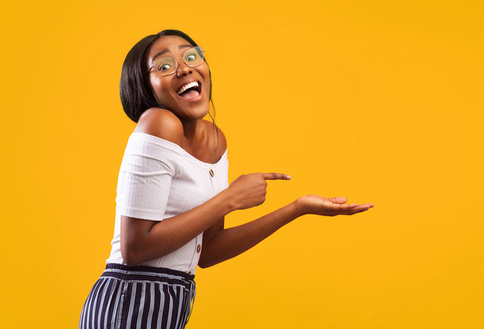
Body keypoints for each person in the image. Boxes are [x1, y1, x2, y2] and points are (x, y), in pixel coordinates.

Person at [79, 29, 373, 329]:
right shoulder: (158, 122)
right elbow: (134, 249)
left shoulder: (215, 141)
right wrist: (230, 198)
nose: (184, 68)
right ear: (146, 87)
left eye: (191, 56)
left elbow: (207, 251)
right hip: (129, 302)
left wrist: (296, 209)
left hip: (173, 303)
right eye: (165, 66)